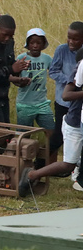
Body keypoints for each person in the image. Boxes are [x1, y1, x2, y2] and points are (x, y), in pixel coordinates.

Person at [19, 64, 83, 196]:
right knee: (68, 164)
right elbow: (65, 95)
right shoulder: (78, 70)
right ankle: (32, 175)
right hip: (75, 123)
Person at [49, 22, 83, 158]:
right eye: (69, 37)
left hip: (78, 104)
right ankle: (39, 164)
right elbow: (53, 71)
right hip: (63, 102)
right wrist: (71, 81)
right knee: (58, 136)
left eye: (75, 39)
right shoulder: (61, 50)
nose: (71, 41)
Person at [15, 29, 55, 141]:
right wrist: (20, 81)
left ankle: (46, 156)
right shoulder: (21, 58)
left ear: (43, 45)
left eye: (39, 43)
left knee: (51, 130)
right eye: (32, 43)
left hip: (42, 103)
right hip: (25, 104)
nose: (35, 46)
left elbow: (54, 72)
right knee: (24, 135)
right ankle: (25, 155)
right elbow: (14, 77)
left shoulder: (47, 59)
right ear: (28, 44)